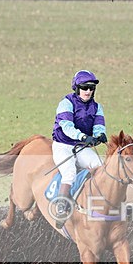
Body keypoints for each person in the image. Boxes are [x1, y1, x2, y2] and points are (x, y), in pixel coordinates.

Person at [50, 70, 108, 219]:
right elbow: (67, 127)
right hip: (63, 144)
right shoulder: (66, 103)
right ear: (77, 88)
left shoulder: (97, 107)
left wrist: (99, 135)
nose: (88, 91)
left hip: (81, 147)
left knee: (99, 166)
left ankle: (100, 202)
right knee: (69, 173)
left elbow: (99, 125)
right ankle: (61, 206)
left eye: (91, 88)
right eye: (84, 88)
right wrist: (83, 136)